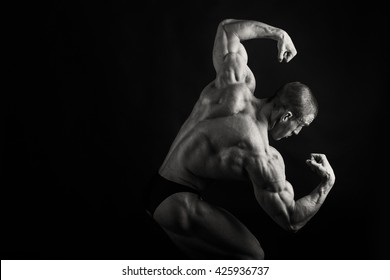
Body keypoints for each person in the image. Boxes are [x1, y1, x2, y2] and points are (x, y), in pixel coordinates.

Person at [144, 19, 336, 259]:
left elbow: (227, 29)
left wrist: (279, 33)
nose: (297, 133)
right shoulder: (261, 153)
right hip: (177, 204)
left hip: (158, 186)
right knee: (253, 257)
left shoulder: (236, 83)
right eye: (300, 125)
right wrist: (327, 183)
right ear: (286, 115)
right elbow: (291, 220)